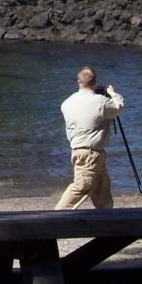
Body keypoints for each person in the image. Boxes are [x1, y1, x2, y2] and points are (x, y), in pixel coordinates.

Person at [55, 66, 125, 210]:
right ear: (95, 83)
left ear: (78, 82)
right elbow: (118, 107)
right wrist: (112, 93)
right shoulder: (100, 102)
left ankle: (106, 219)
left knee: (102, 192)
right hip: (91, 154)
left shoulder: (67, 103)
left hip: (79, 151)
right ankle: (56, 216)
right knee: (81, 186)